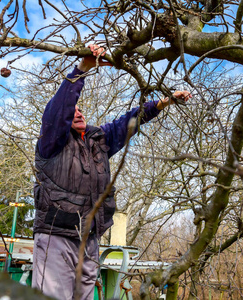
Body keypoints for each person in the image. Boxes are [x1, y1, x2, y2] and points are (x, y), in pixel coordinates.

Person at [32, 44, 191, 300]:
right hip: (56, 236)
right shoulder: (51, 142)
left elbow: (127, 121)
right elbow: (58, 110)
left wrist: (164, 102)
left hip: (89, 239)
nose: (77, 112)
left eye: (80, 109)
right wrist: (82, 68)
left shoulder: (98, 140)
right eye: (72, 110)